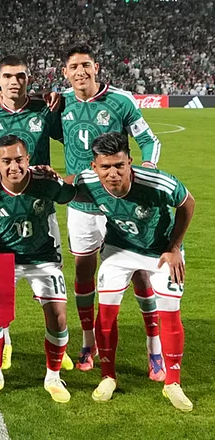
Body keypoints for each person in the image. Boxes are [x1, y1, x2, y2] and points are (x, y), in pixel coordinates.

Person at [61, 44, 164, 376]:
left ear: (96, 67)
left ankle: (155, 348)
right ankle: (88, 342)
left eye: (86, 65)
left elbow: (149, 140)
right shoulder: (60, 103)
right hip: (81, 204)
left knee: (139, 272)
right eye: (74, 66)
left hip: (119, 204)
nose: (80, 71)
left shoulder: (121, 101)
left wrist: (146, 170)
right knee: (83, 272)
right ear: (65, 72)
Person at [72, 132, 194, 412]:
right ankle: (108, 376)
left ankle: (173, 383)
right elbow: (64, 186)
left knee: (170, 311)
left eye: (119, 165)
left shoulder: (158, 182)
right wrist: (44, 176)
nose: (113, 173)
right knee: (107, 312)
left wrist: (174, 247)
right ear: (94, 167)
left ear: (130, 161)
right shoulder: (88, 180)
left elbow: (187, 203)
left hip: (161, 251)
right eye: (105, 167)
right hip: (119, 250)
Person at [0, 135, 74, 403]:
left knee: (58, 316)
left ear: (28, 160)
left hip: (43, 258)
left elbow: (70, 193)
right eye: (6, 161)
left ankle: (53, 377)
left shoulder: (45, 183)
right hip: (4, 259)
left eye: (19, 160)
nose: (13, 167)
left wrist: (59, 176)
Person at [0, 55, 70, 370]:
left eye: (20, 76)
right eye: (8, 76)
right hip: (2, 211)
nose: (14, 81)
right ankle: (4, 344)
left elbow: (72, 138)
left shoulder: (44, 109)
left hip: (41, 209)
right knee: (1, 287)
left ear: (28, 79)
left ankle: (59, 345)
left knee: (52, 276)